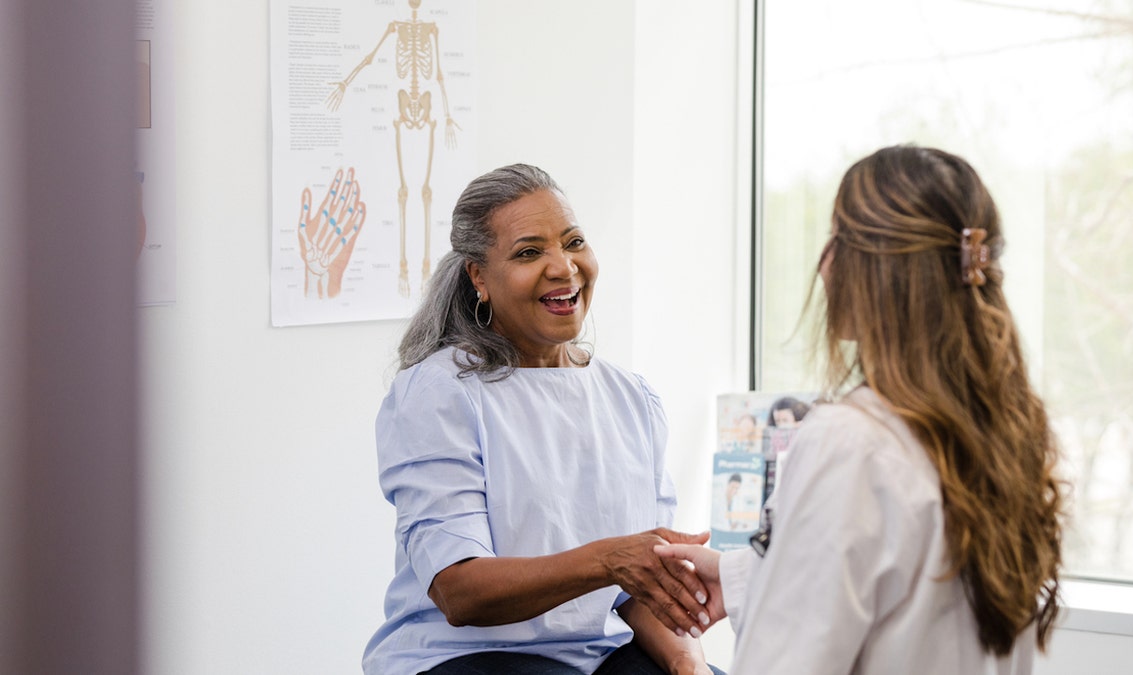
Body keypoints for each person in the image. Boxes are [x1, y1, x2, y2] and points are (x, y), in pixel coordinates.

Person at [657, 145, 1067, 674]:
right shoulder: (1004, 429)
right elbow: (903, 588)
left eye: (837, 239)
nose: (824, 263)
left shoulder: (849, 442)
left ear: (876, 271)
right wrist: (737, 576)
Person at [363, 163, 724, 675]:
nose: (564, 267)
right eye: (530, 252)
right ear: (478, 277)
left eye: (573, 242)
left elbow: (642, 588)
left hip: (600, 657)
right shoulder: (441, 394)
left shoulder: (632, 398)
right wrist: (606, 559)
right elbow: (459, 591)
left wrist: (690, 667)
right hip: (470, 658)